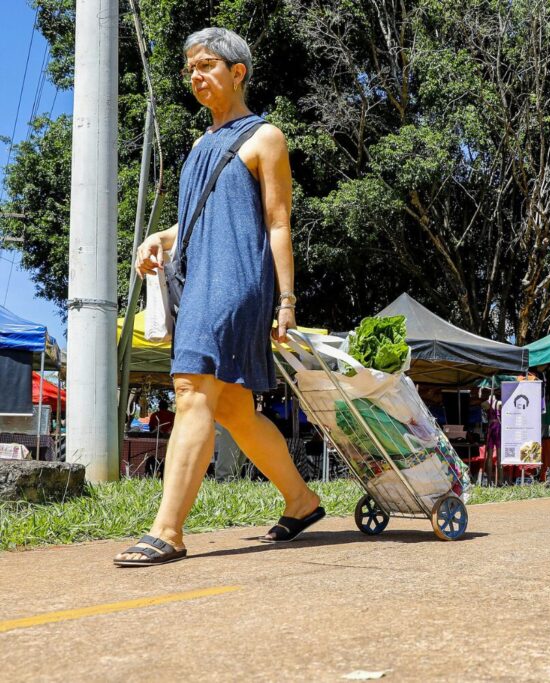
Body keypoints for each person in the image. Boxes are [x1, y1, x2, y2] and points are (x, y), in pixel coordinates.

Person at [115, 28, 323, 567]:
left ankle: (169, 530)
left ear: (238, 72)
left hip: (236, 283)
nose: (196, 76)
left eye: (207, 65)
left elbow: (278, 224)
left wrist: (287, 300)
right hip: (199, 276)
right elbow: (199, 220)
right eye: (190, 69)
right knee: (230, 406)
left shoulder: (265, 137)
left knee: (190, 388)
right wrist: (158, 239)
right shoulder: (200, 146)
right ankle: (302, 500)